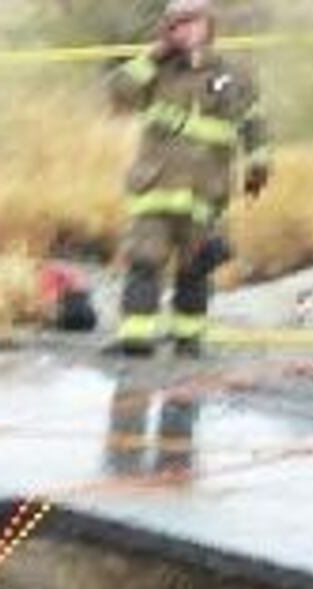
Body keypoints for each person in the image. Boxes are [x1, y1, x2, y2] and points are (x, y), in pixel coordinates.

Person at [103, 0, 271, 358]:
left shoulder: (234, 76)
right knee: (144, 262)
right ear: (168, 29)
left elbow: (254, 123)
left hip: (205, 192)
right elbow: (118, 92)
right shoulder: (157, 70)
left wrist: (258, 165)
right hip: (156, 189)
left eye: (192, 21)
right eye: (177, 24)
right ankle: (136, 340)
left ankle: (188, 341)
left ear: (210, 25)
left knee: (195, 268)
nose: (186, 29)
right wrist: (154, 54)